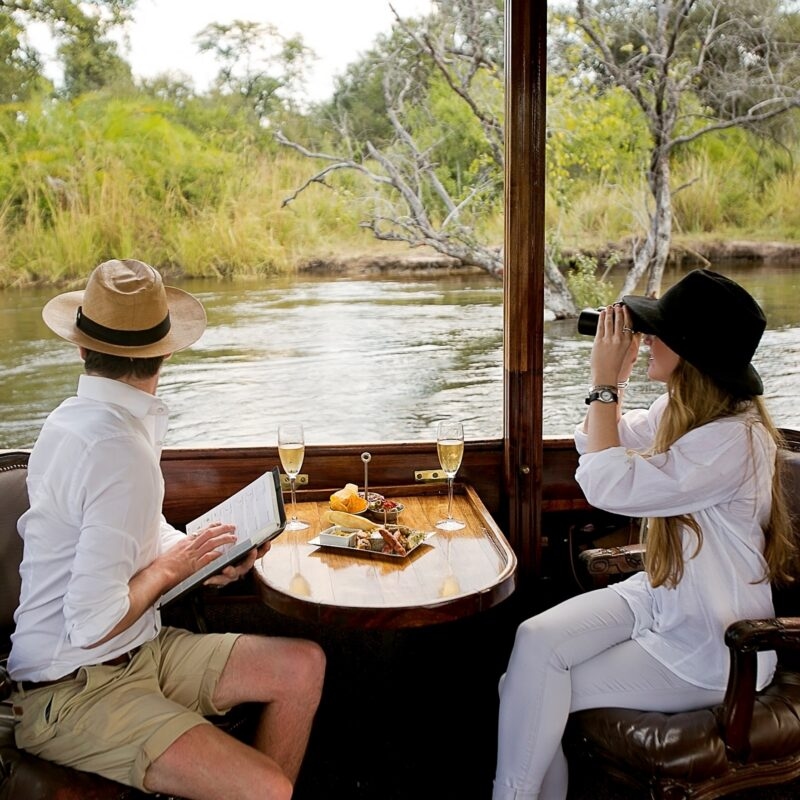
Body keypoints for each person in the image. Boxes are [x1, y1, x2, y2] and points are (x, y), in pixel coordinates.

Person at [8, 259, 326, 800]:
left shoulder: (79, 420)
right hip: (71, 689)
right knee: (270, 789)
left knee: (301, 667)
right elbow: (90, 622)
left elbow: (136, 528)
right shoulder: (117, 449)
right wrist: (173, 568)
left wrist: (201, 557)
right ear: (167, 351)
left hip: (138, 651)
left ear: (82, 349)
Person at [492, 268, 796, 800]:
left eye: (658, 332)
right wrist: (618, 384)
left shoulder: (735, 439)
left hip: (712, 644)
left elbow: (608, 485)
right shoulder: (683, 409)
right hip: (664, 596)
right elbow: (601, 442)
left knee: (536, 694)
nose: (646, 338)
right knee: (533, 643)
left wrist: (604, 383)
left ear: (692, 352)